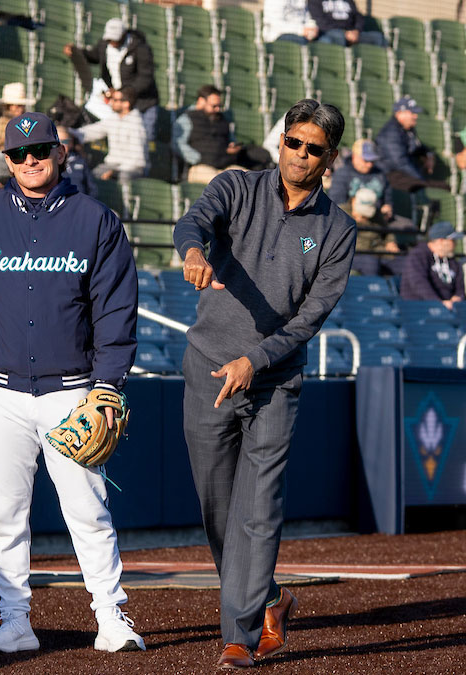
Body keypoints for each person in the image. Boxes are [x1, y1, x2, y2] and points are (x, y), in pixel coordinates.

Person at [0, 112, 144, 656]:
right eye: (20, 154)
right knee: (4, 513)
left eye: (41, 151)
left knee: (88, 511)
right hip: (0, 392)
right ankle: (14, 620)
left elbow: (117, 308)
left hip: (72, 390)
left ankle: (110, 616)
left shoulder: (96, 220)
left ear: (61, 153)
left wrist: (108, 385)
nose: (31, 160)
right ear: (6, 161)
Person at [173, 99, 355, 669]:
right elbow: (194, 219)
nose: (300, 155)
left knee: (261, 509)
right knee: (217, 509)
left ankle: (239, 637)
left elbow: (311, 317)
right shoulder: (236, 187)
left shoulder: (338, 229)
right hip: (207, 368)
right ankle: (269, 597)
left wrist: (256, 359)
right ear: (281, 141)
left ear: (330, 158)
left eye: (314, 149)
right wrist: (194, 250)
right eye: (293, 141)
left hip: (274, 381)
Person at [64, 18, 160, 141]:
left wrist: (124, 92)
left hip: (143, 104)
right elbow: (94, 56)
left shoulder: (141, 49)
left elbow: (145, 78)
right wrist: (76, 52)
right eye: (110, 39)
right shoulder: (104, 45)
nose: (112, 42)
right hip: (119, 100)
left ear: (124, 35)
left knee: (143, 138)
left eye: (116, 39)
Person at [173, 85, 272, 184]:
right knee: (221, 183)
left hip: (227, 165)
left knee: (251, 181)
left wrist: (232, 147)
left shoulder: (222, 118)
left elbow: (231, 140)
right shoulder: (187, 119)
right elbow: (177, 143)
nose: (217, 109)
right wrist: (196, 158)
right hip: (200, 167)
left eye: (219, 106)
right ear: (201, 101)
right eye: (214, 106)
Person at [375, 96, 451, 194]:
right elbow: (400, 162)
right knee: (428, 187)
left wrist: (428, 154)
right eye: (412, 113)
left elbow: (417, 147)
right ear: (400, 114)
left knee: (443, 186)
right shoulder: (390, 133)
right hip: (389, 175)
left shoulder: (407, 129)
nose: (416, 116)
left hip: (402, 174)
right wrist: (421, 179)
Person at [76, 86, 147, 184]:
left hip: (131, 168)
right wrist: (69, 133)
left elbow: (138, 160)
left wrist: (115, 172)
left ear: (126, 104)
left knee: (123, 176)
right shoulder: (114, 118)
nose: (111, 102)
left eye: (115, 100)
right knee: (90, 177)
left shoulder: (137, 124)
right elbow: (92, 131)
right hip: (111, 165)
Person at [399, 221, 464, 309]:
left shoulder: (453, 262)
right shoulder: (418, 255)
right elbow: (418, 284)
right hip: (421, 308)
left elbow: (460, 288)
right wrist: (438, 303)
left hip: (449, 309)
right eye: (452, 240)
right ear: (441, 241)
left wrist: (457, 298)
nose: (455, 244)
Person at [0, 83, 36, 184]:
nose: (21, 109)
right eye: (17, 106)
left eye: (22, 106)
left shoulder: (2, 121)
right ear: (8, 107)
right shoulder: (6, 124)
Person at [343, 188, 403, 276]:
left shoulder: (377, 215)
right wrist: (356, 222)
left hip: (378, 251)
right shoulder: (341, 212)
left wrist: (391, 242)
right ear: (353, 200)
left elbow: (387, 231)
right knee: (370, 263)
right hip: (355, 254)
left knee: (404, 262)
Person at [306, 0, 386, 46]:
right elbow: (321, 22)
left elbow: (358, 16)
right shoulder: (314, 1)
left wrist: (356, 30)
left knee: (378, 37)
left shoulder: (347, 0)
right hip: (329, 33)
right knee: (338, 36)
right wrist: (345, 33)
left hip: (352, 33)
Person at [60, 127, 97, 198]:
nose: (62, 145)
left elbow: (92, 188)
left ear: (71, 143)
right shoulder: (50, 164)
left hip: (82, 204)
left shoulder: (81, 161)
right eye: (58, 141)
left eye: (65, 141)